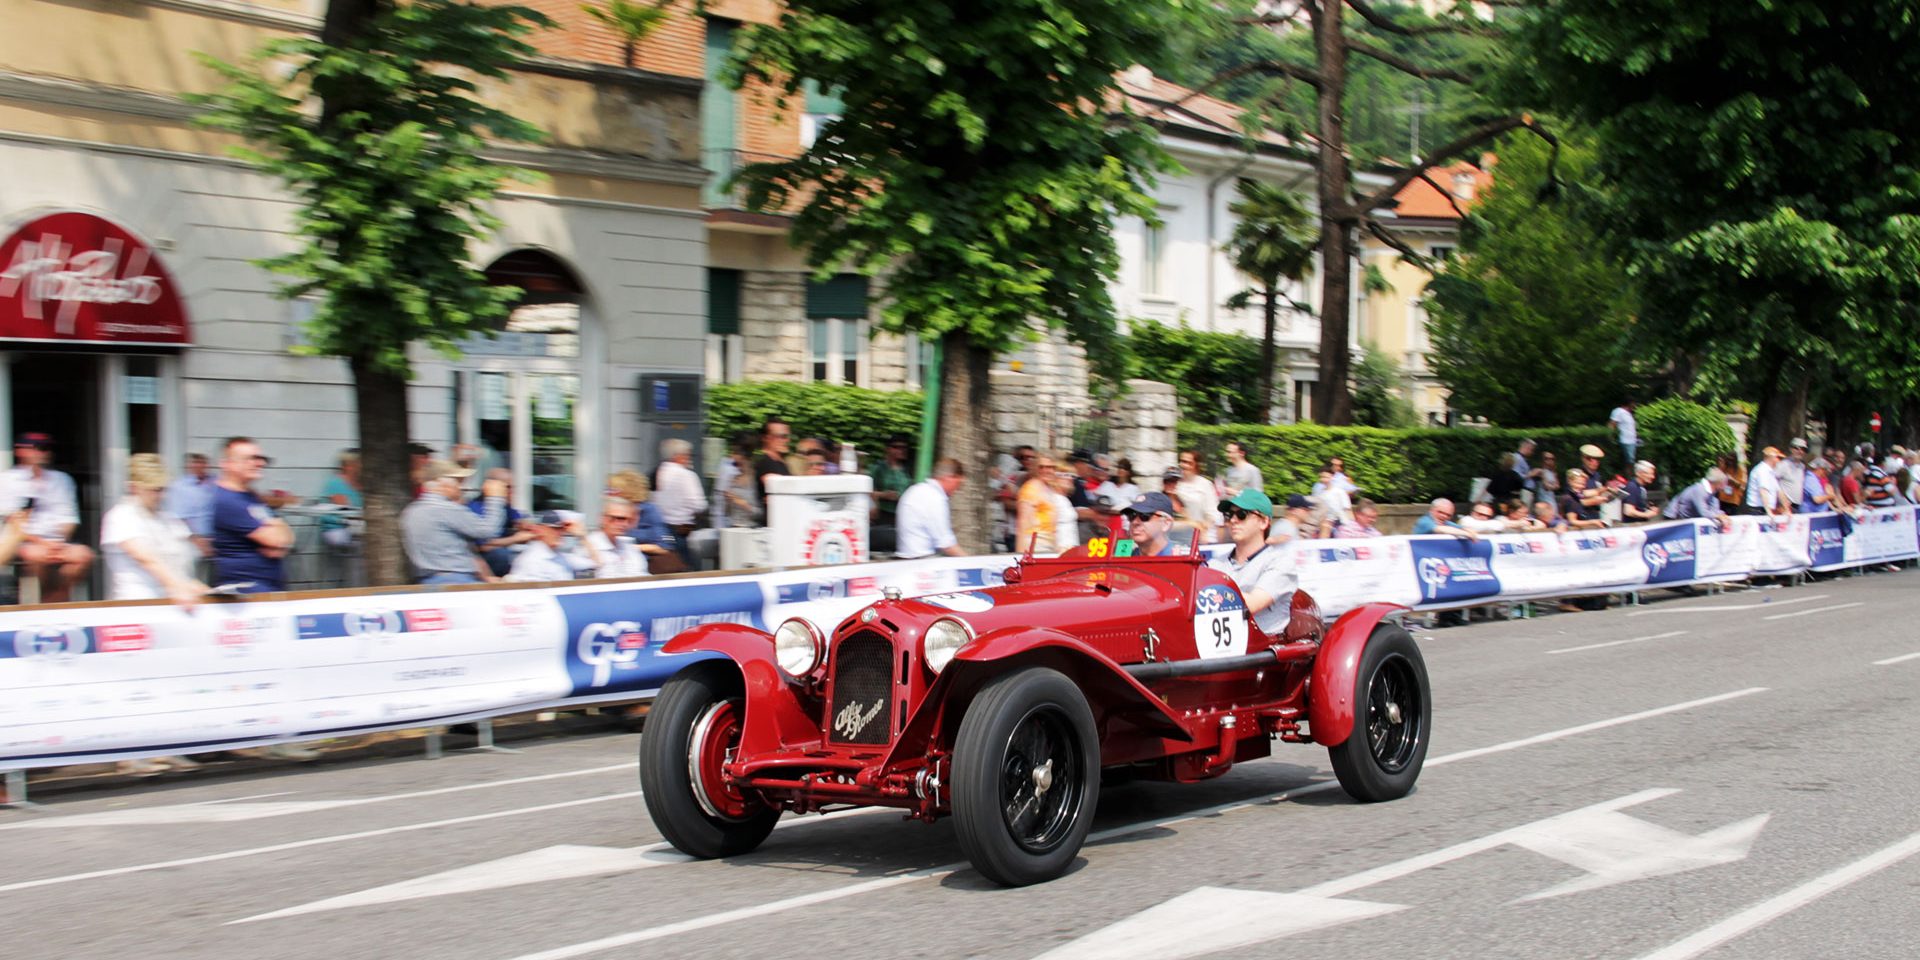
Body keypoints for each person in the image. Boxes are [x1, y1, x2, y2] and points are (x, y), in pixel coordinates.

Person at [102, 453, 206, 609]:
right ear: (134, 488)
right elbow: (147, 559)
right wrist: (177, 587)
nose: (161, 496)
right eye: (155, 489)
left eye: (163, 489)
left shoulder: (168, 518)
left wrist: (195, 586)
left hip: (173, 604)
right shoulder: (120, 516)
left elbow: (179, 563)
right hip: (138, 605)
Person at [2, 432, 95, 602]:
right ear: (21, 451)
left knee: (84, 555)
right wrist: (43, 543)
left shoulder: (62, 480)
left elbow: (69, 517)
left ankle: (53, 599)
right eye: (39, 448)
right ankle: (42, 602)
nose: (44, 453)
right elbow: (13, 524)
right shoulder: (8, 480)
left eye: (47, 449)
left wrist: (58, 543)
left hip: (57, 541)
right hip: (25, 541)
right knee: (34, 555)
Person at [1208, 489, 1298, 638]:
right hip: (1219, 647)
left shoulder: (1280, 563)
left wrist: (1207, 595)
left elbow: (1252, 604)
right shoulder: (1215, 564)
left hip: (1263, 651)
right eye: (1228, 515)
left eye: (1242, 514)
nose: (1233, 520)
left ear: (1263, 522)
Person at [401, 460, 508, 584]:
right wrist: (495, 498)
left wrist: (486, 576)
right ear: (441, 483)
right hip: (456, 580)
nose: (460, 487)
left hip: (428, 581)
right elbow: (488, 531)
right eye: (457, 481)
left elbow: (457, 549)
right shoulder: (445, 508)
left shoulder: (411, 511)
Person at [210, 437, 293, 594]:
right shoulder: (226, 500)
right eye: (251, 459)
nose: (260, 463)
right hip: (246, 594)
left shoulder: (250, 496)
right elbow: (277, 540)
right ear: (227, 463)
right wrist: (277, 533)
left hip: (266, 589)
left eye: (261, 458)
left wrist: (279, 535)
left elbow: (284, 541)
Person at [895, 458, 966, 559]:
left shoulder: (916, 489)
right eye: (958, 484)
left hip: (907, 557)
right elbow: (946, 543)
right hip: (921, 561)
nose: (958, 489)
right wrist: (971, 563)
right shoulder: (934, 498)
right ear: (949, 477)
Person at [653, 438, 708, 562]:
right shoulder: (687, 475)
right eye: (688, 454)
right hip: (682, 529)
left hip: (661, 528)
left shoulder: (658, 472)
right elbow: (699, 505)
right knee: (687, 566)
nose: (689, 458)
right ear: (678, 456)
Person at [506, 511, 594, 582]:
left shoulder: (561, 556)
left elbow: (597, 562)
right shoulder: (531, 560)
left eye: (561, 529)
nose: (560, 533)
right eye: (554, 529)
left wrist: (582, 536)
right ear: (540, 530)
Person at [163, 451, 217, 554]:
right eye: (195, 462)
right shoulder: (180, 487)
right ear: (189, 465)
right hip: (192, 543)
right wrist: (197, 540)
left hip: (217, 540)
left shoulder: (215, 482)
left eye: (202, 462)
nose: (199, 466)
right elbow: (177, 517)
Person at [868, 433, 914, 549]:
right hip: (884, 514)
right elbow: (867, 491)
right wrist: (884, 495)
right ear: (888, 449)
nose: (902, 450)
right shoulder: (879, 468)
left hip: (903, 514)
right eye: (897, 447)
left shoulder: (908, 470)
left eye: (904, 447)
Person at [584, 497, 650, 578]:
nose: (625, 524)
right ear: (603, 519)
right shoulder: (588, 547)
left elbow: (642, 574)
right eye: (619, 519)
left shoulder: (628, 546)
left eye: (629, 520)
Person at [1015, 454, 1061, 552]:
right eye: (1041, 467)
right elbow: (1023, 523)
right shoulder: (1031, 488)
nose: (1046, 470)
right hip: (1034, 544)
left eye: (1050, 467)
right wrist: (1020, 553)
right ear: (1036, 469)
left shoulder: (1049, 489)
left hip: (1048, 543)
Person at [317, 450, 363, 548]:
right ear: (347, 466)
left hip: (357, 528)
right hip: (337, 529)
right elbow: (346, 512)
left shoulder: (361, 484)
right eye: (357, 463)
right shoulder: (336, 484)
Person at [1174, 450, 1220, 543]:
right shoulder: (1174, 483)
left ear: (1195, 464)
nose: (1183, 465)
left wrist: (1203, 528)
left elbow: (1213, 512)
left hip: (1200, 536)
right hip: (1178, 536)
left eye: (1188, 462)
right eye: (1182, 461)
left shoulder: (1205, 484)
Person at [1665, 467, 1733, 530]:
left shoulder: (1713, 492)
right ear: (1717, 483)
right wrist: (1718, 516)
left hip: (1686, 519)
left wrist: (1723, 515)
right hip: (1673, 518)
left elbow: (1714, 510)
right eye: (1724, 483)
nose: (1725, 486)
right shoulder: (1699, 490)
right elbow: (1703, 512)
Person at [1121, 491, 1180, 557]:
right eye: (1131, 515)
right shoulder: (1125, 556)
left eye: (1144, 516)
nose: (1135, 522)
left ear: (1166, 523)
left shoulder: (1180, 558)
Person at [754, 417, 792, 509]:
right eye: (781, 437)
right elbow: (782, 491)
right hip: (772, 521)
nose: (786, 441)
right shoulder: (764, 463)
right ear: (766, 438)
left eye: (786, 436)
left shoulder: (781, 462)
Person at [1744, 446, 1787, 518]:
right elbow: (1763, 492)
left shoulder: (1771, 472)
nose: (1779, 461)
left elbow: (1779, 491)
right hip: (1758, 510)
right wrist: (1769, 512)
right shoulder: (1762, 470)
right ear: (1770, 457)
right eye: (1778, 458)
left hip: (1764, 510)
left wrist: (1786, 509)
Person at [1313, 468, 1354, 537]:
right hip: (1326, 524)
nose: (1323, 479)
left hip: (1341, 523)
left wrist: (1352, 525)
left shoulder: (1339, 492)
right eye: (1321, 477)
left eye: (1326, 477)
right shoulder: (1319, 494)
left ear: (1332, 477)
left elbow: (1348, 509)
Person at [1410, 498, 1476, 539]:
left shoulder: (1445, 522)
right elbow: (1441, 529)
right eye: (1440, 512)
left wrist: (1470, 531)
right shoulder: (1424, 521)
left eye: (1448, 515)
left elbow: (1461, 528)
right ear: (1431, 510)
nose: (1444, 516)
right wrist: (1467, 534)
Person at [1778, 439, 1809, 512]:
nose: (1800, 451)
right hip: (1785, 506)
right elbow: (1774, 484)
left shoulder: (1802, 466)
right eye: (1796, 448)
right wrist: (1783, 503)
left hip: (1798, 506)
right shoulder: (1783, 464)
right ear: (1791, 449)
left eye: (1803, 449)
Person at [1609, 399, 1639, 464]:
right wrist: (1610, 436)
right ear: (1629, 403)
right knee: (1629, 462)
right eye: (1633, 403)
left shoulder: (1629, 414)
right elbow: (1612, 424)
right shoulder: (1618, 411)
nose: (1634, 406)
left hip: (1632, 441)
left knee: (1631, 461)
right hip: (1625, 441)